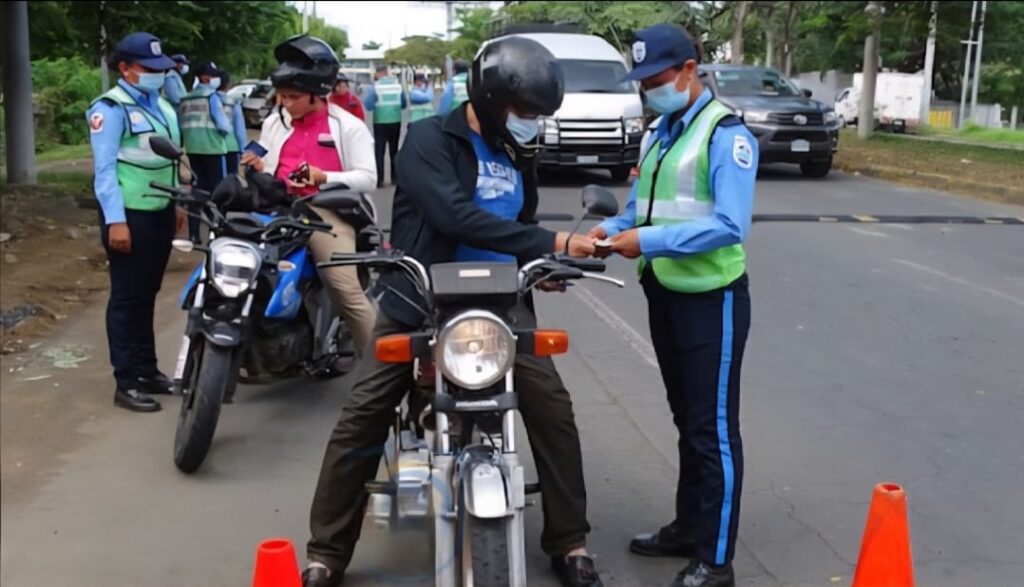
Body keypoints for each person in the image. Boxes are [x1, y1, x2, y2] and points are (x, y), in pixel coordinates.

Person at [301, 36, 604, 587]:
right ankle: (327, 552)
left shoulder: (516, 152)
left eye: (538, 114)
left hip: (500, 304)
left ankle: (570, 541)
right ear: (489, 100)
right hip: (419, 300)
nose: (530, 122)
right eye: (524, 111)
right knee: (364, 412)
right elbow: (454, 215)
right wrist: (551, 242)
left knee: (552, 408)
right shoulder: (427, 140)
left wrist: (541, 266)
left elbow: (516, 224)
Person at [591, 24, 757, 587]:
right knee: (686, 421)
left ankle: (716, 559)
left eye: (658, 79)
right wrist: (611, 230)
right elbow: (645, 208)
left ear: (690, 70)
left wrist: (651, 241)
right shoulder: (659, 133)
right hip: (663, 289)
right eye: (643, 83)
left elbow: (730, 225)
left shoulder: (724, 135)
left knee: (712, 428)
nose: (650, 91)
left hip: (713, 298)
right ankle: (689, 528)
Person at [240, 34, 378, 362]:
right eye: (282, 96)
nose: (285, 103)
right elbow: (273, 165)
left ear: (317, 95)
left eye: (293, 97)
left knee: (345, 290)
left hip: (325, 210)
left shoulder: (348, 126)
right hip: (277, 206)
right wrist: (260, 165)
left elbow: (368, 177)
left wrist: (324, 176)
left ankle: (381, 368)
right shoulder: (275, 122)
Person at [86, 32, 187, 412]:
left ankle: (148, 370)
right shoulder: (110, 110)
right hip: (128, 215)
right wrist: (116, 221)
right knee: (127, 299)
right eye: (148, 69)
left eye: (160, 69)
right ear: (125, 69)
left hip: (160, 210)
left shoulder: (162, 106)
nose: (157, 75)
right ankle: (126, 381)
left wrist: (176, 203)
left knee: (147, 294)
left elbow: (171, 158)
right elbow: (105, 170)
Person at [179, 61, 231, 241]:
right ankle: (216, 231)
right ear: (205, 78)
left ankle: (194, 235)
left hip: (193, 149)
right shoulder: (212, 96)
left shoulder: (186, 98)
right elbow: (224, 125)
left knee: (196, 192)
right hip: (213, 149)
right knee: (217, 193)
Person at [362, 65, 406, 187]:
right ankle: (395, 178)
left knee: (379, 152)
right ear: (387, 72)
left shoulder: (375, 87)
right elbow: (403, 104)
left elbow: (368, 106)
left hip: (380, 122)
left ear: (379, 73)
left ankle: (379, 180)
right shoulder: (398, 86)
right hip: (396, 121)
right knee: (394, 151)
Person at [216, 69, 247, 174]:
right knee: (230, 181)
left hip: (213, 148)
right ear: (228, 85)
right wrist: (243, 149)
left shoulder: (207, 99)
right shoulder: (233, 102)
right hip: (231, 147)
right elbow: (239, 129)